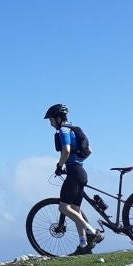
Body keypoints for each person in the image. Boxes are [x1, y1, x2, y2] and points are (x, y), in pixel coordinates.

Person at [45, 104, 104, 255]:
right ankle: (83, 245)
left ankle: (92, 232)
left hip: (74, 173)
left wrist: (60, 165)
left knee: (63, 207)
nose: (51, 123)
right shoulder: (75, 129)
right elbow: (89, 151)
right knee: (75, 210)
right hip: (81, 172)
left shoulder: (63, 130)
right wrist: (76, 161)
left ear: (58, 119)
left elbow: (66, 150)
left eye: (51, 120)